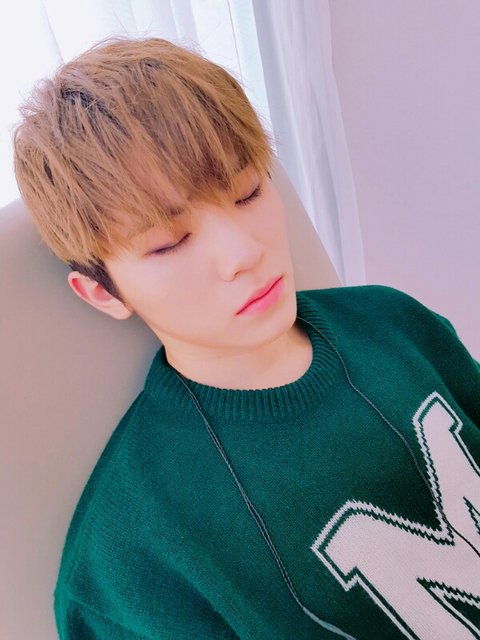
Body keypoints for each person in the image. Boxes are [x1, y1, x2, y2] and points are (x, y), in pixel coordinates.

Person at [13, 36, 480, 640]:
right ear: (103, 292)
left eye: (248, 192)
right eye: (169, 243)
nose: (243, 253)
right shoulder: (131, 566)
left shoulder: (396, 324)